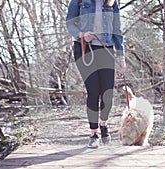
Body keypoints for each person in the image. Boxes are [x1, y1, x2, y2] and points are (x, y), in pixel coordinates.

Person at [66, 0, 126, 148]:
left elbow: (117, 29)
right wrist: (81, 33)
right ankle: (94, 134)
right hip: (84, 48)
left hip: (106, 49)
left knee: (108, 92)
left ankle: (103, 124)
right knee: (93, 92)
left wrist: (121, 55)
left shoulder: (112, 2)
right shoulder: (80, 1)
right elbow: (70, 23)